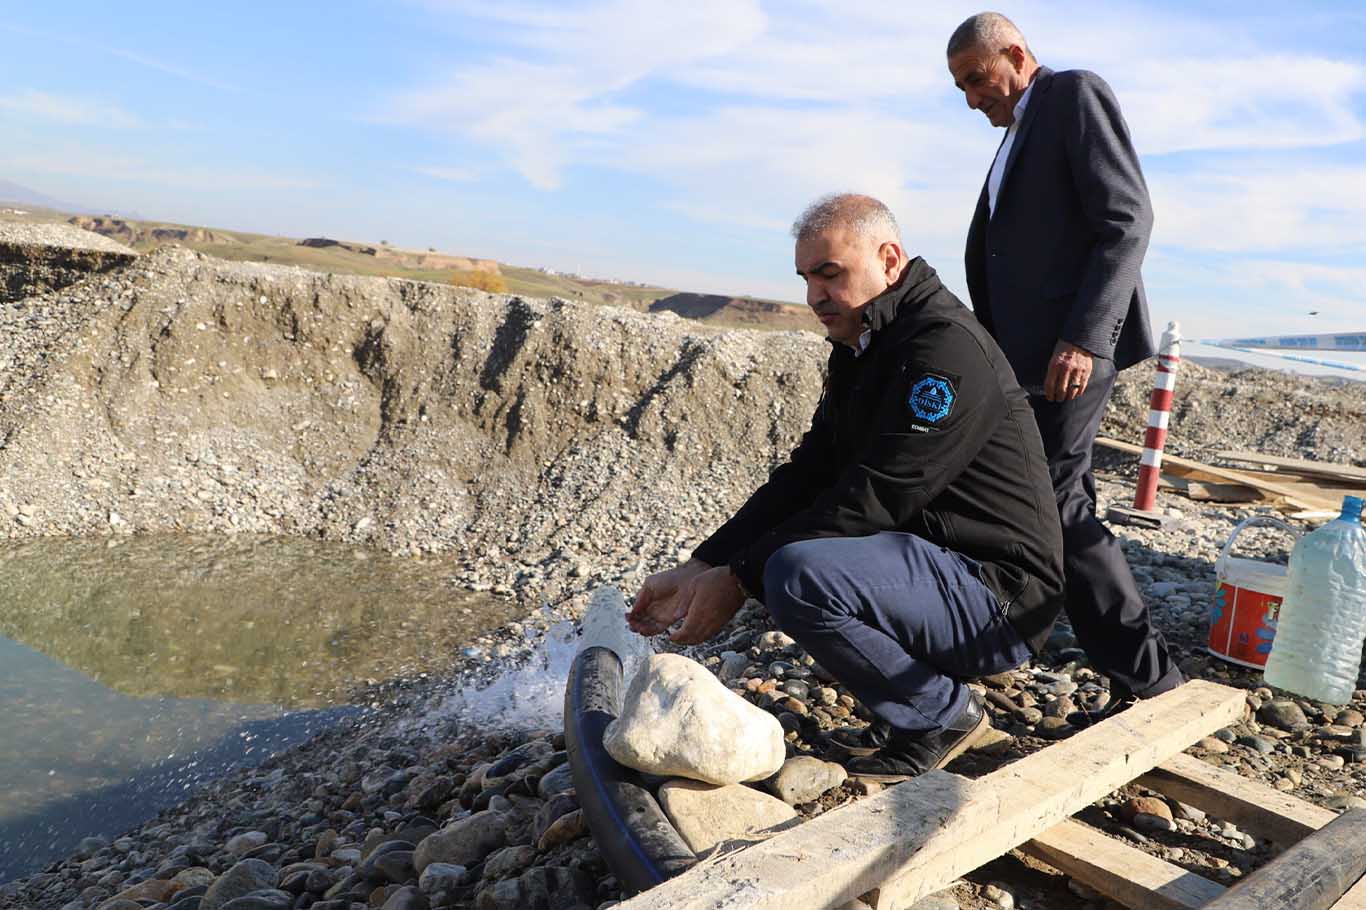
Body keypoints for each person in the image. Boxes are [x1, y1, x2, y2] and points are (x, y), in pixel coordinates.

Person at [627, 194, 1065, 780]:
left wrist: (739, 578)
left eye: (830, 274)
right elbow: (810, 472)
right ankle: (915, 701)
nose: (814, 296)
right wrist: (705, 561)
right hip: (934, 571)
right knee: (787, 561)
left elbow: (882, 493)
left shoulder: (944, 350)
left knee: (797, 574)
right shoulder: (864, 346)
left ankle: (943, 716)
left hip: (998, 597)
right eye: (807, 278)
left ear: (889, 259)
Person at [946, 12, 1184, 715]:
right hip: (1027, 361)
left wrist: (1085, 338)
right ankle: (1042, 641)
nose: (971, 99)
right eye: (960, 87)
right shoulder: (1020, 134)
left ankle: (1148, 679)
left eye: (978, 80)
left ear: (1017, 55)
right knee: (1037, 498)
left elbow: (1127, 219)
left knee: (1058, 500)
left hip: (1068, 357)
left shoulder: (1072, 95)